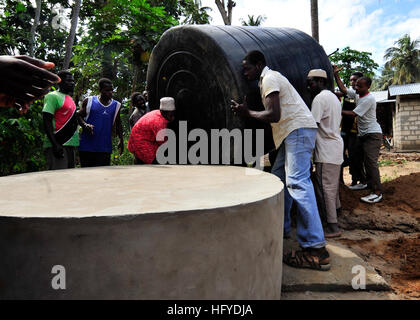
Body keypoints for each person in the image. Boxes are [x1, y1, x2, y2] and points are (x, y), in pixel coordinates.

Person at [231, 50, 330, 271]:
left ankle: (316, 249)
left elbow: (273, 115)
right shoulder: (268, 79)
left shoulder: (269, 78)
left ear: (258, 65)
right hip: (291, 133)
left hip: (297, 131)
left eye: (247, 68)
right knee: (278, 179)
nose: (244, 72)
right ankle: (281, 227)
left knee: (297, 182)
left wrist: (247, 113)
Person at [336, 74, 383, 204]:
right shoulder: (358, 94)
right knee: (355, 158)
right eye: (355, 85)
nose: (356, 87)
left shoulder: (369, 99)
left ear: (368, 87)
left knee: (370, 163)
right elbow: (344, 90)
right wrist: (336, 74)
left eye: (359, 86)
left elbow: (353, 114)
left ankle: (377, 192)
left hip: (372, 135)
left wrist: (336, 109)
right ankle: (364, 183)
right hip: (362, 135)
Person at [307, 69, 343, 238]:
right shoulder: (334, 98)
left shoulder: (319, 99)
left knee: (325, 188)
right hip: (335, 148)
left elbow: (312, 126)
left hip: (326, 152)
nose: (309, 86)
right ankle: (336, 214)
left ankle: (332, 226)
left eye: (311, 82)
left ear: (320, 82)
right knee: (333, 188)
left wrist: (307, 152)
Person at [77, 78, 124, 167]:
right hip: (87, 147)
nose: (110, 92)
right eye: (107, 90)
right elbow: (78, 115)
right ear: (100, 90)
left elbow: (118, 124)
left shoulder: (116, 105)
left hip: (104, 148)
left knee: (103, 176)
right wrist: (85, 125)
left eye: (111, 90)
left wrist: (121, 140)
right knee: (86, 175)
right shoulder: (89, 101)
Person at [334, 67, 366, 189]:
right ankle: (341, 181)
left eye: (355, 81)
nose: (352, 83)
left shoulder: (361, 96)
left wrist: (339, 111)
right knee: (340, 156)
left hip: (355, 131)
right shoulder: (348, 93)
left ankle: (356, 180)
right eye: (351, 80)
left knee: (355, 157)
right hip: (344, 131)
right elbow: (341, 91)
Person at [42, 70, 79, 170]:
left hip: (70, 145)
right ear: (59, 82)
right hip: (58, 144)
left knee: (69, 179)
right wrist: (55, 144)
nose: (72, 83)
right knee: (58, 179)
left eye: (72, 81)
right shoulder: (52, 96)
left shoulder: (70, 98)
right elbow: (46, 120)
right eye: (68, 81)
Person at [127, 97, 176, 164]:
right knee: (157, 164)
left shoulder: (158, 112)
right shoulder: (159, 122)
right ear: (163, 112)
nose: (172, 117)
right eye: (170, 115)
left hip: (144, 139)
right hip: (140, 143)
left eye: (173, 114)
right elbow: (163, 144)